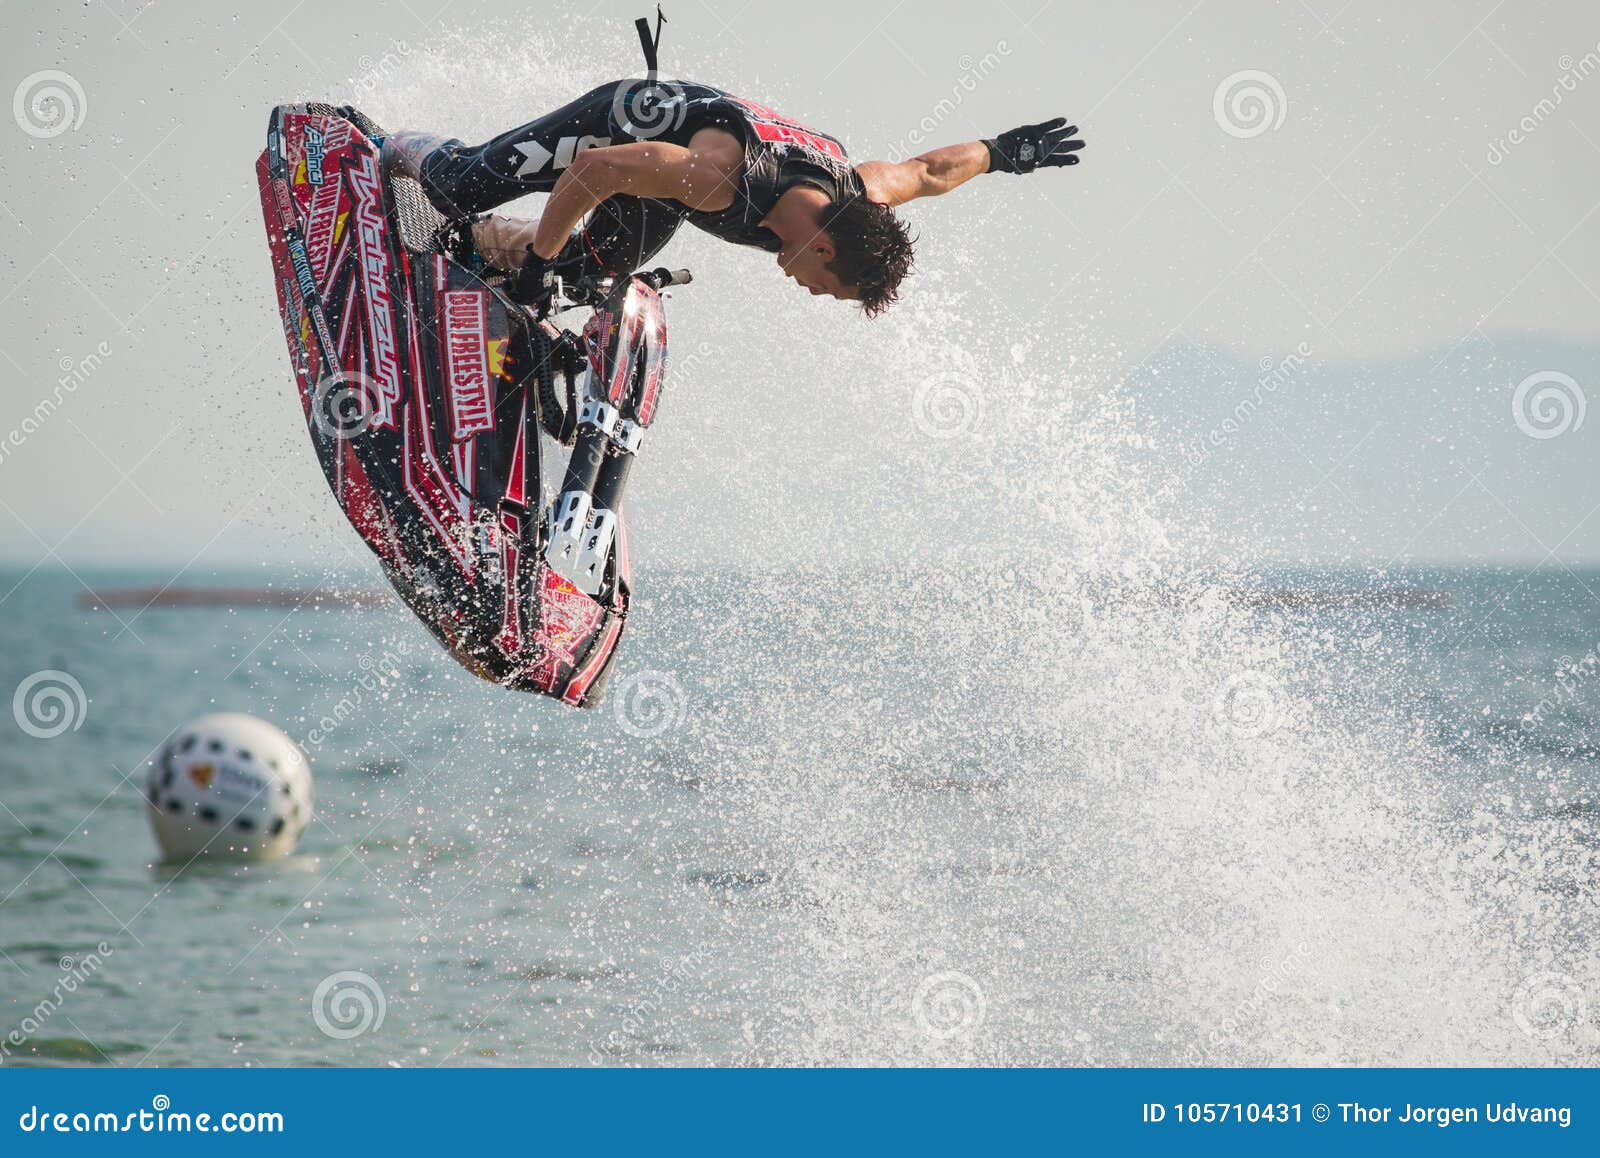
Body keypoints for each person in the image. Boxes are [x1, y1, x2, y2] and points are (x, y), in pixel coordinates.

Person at [380, 22, 1084, 318]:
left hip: (658, 184)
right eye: (826, 290)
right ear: (824, 247)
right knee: (458, 188)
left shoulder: (858, 196)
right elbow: (595, 171)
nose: (811, 293)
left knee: (586, 278)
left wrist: (998, 153)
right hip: (632, 125)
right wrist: (541, 253)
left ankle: (476, 256)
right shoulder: (722, 181)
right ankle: (403, 152)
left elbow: (927, 174)